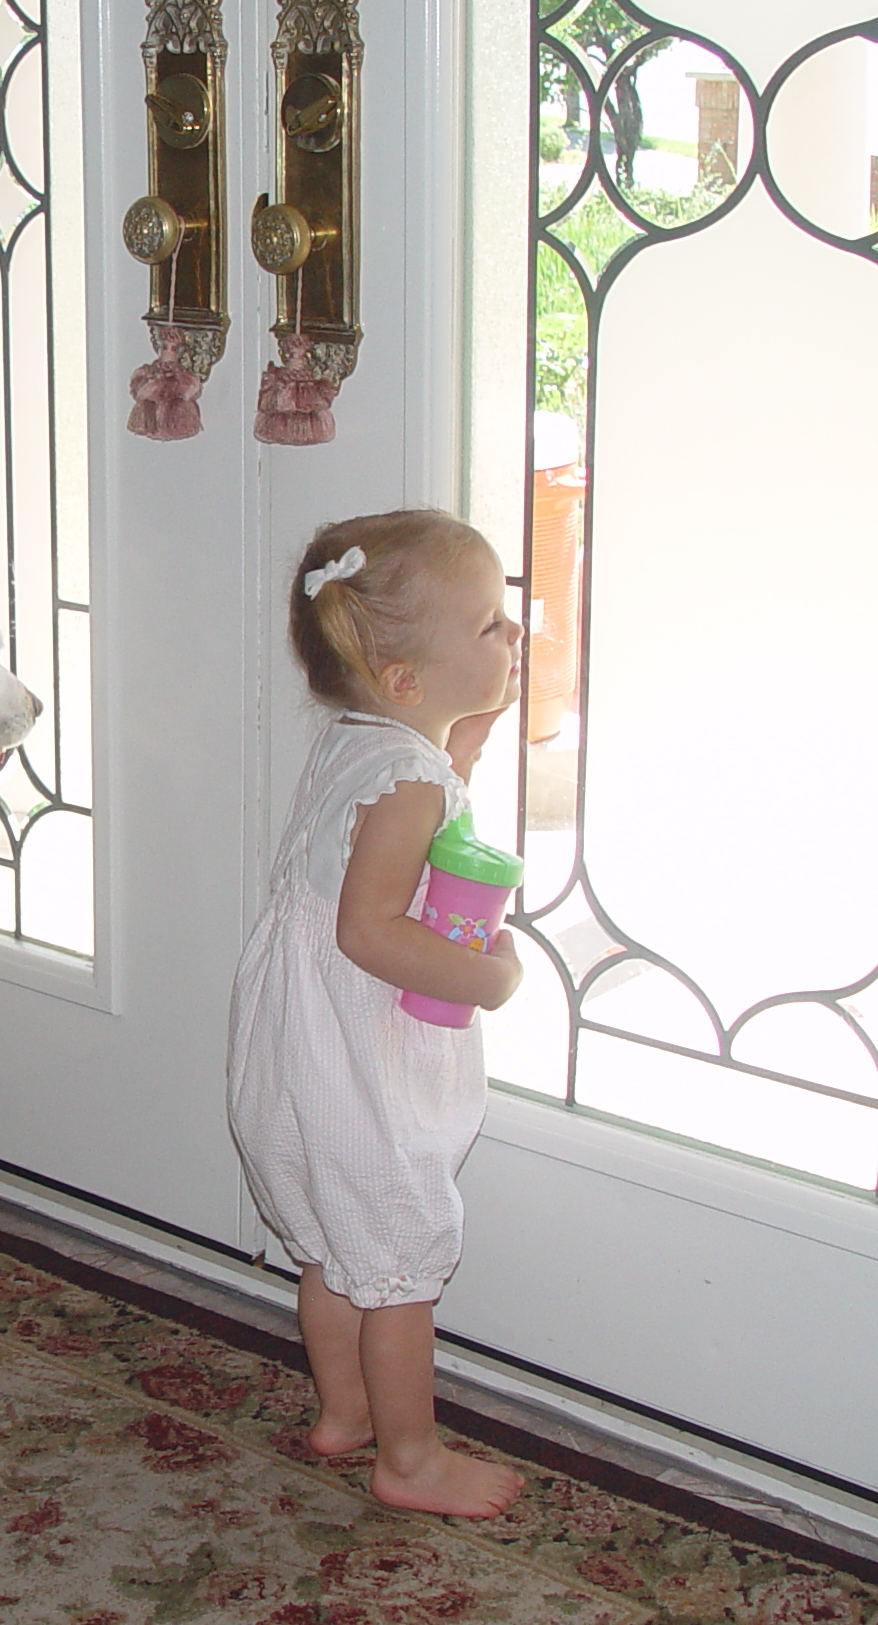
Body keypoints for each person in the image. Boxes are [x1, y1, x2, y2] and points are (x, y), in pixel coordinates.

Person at [228, 507, 529, 1518]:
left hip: (294, 1049)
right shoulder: (410, 782)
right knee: (395, 1262)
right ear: (408, 681)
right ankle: (409, 1457)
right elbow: (369, 931)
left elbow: (398, 814)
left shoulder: (363, 742)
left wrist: (464, 742)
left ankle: (342, 1412)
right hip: (355, 1057)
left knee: (333, 1246)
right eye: (490, 625)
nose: (512, 635)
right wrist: (486, 978)